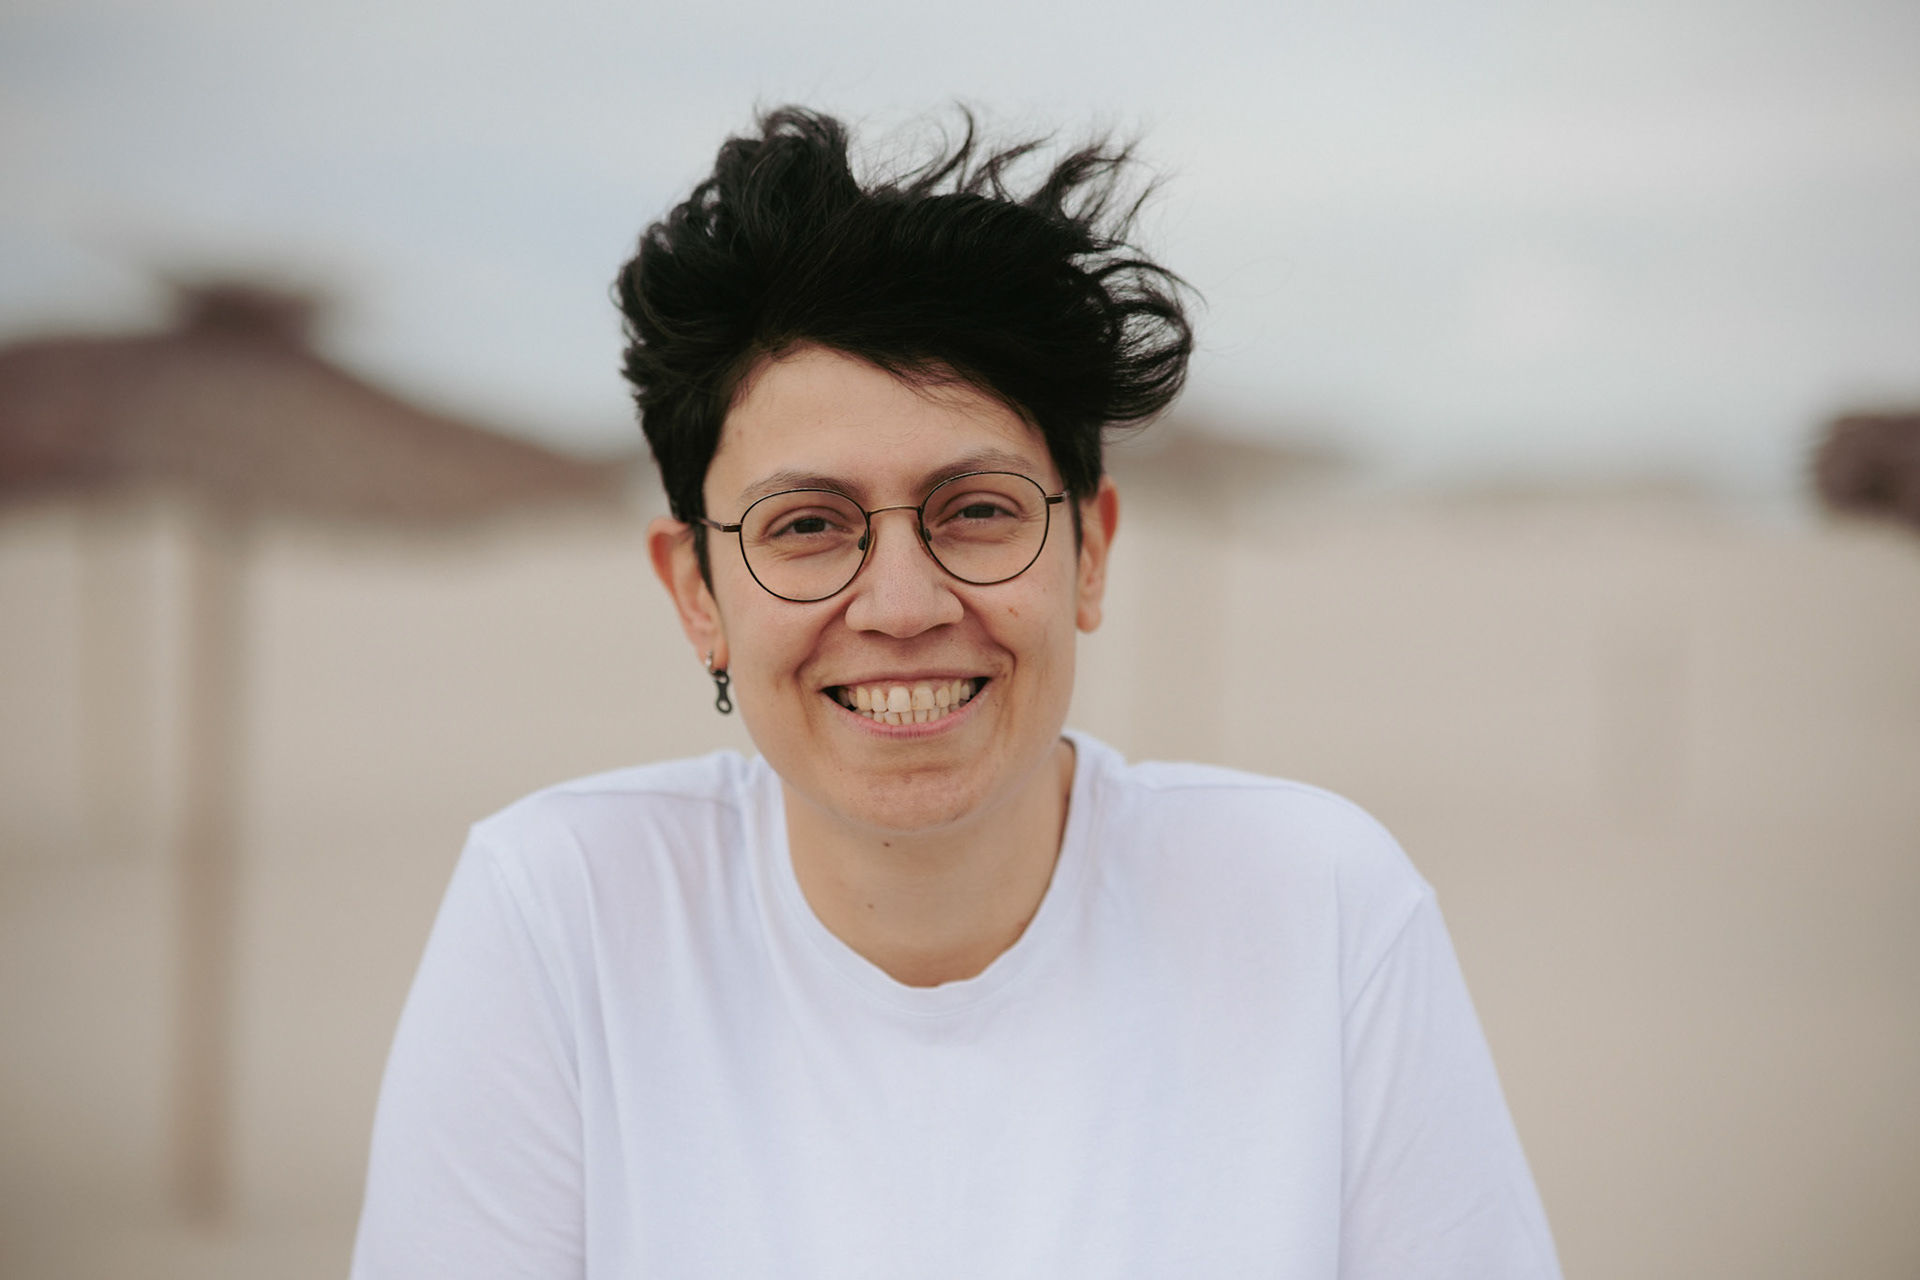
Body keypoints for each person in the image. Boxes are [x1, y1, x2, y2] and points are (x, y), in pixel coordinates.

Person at [351, 107, 1561, 1279]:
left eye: (977, 510)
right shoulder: (564, 914)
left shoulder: (1318, 905)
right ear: (698, 595)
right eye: (807, 524)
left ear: (1090, 552)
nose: (902, 603)